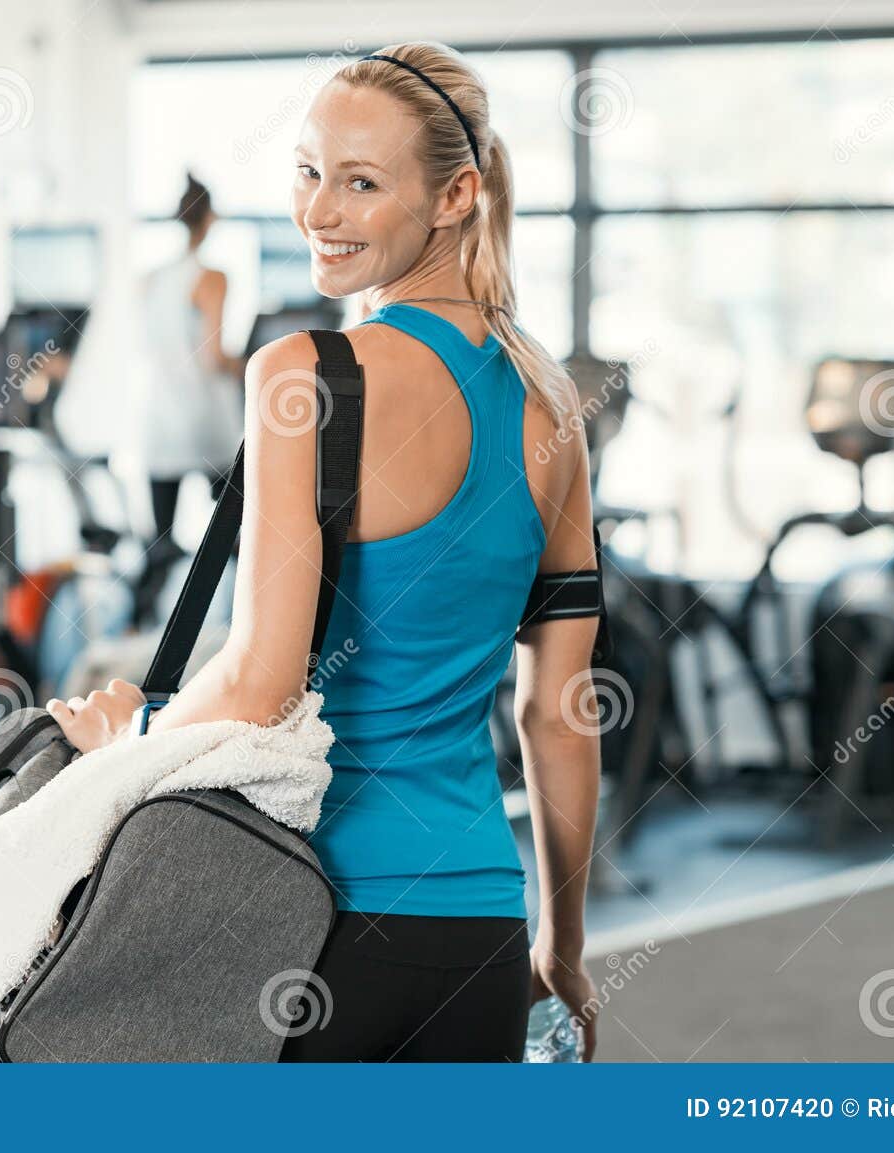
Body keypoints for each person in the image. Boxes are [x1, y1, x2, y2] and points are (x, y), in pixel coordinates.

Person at [43, 42, 602, 1062]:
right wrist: (563, 942)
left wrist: (129, 741)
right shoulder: (549, 400)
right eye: (307, 171)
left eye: (359, 182)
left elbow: (260, 685)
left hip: (301, 919)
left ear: (454, 195)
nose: (318, 212)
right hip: (480, 926)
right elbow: (557, 714)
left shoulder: (306, 371)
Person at [130, 174, 246, 625]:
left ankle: (139, 627)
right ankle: (241, 623)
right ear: (210, 217)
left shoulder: (150, 278)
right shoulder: (213, 277)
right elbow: (214, 357)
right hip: (204, 423)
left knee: (159, 542)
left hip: (159, 422)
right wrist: (257, 363)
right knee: (235, 531)